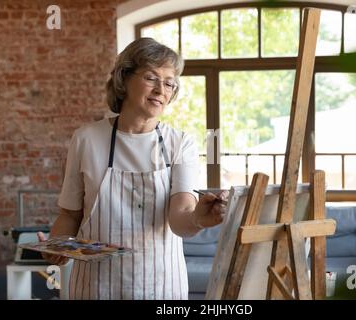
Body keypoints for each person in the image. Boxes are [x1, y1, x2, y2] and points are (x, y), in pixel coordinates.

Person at [38, 37, 228, 300]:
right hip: (96, 286)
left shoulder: (179, 143)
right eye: (152, 78)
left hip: (161, 285)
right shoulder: (86, 139)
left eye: (170, 82)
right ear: (124, 79)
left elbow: (180, 216)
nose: (162, 89)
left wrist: (198, 218)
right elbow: (70, 215)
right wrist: (57, 245)